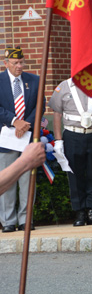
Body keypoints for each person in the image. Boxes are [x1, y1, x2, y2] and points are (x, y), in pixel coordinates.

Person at [49, 78, 92, 226]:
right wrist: (58, 140)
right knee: (75, 175)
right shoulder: (64, 86)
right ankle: (79, 212)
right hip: (73, 135)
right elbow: (57, 114)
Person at [0, 46, 43, 233]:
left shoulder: (34, 80)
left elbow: (39, 105)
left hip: (27, 136)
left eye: (21, 62)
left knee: (27, 179)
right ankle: (8, 220)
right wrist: (14, 121)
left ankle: (26, 219)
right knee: (7, 178)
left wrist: (25, 124)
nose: (20, 66)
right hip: (6, 137)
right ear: (6, 63)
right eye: (15, 63)